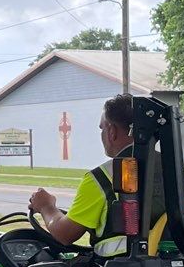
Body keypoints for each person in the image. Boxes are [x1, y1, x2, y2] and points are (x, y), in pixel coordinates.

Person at [29, 94, 135, 249]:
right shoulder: (180, 174)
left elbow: (65, 234)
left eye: (102, 128)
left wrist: (46, 207)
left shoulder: (104, 177)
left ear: (112, 131)